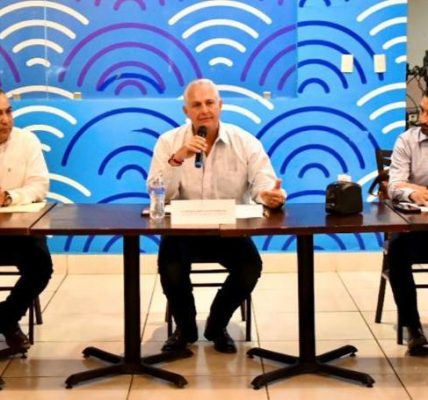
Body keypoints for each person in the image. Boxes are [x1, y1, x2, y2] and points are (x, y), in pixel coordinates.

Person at [148, 79, 286, 354]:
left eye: (210, 103)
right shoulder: (168, 142)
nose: (204, 110)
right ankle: (185, 330)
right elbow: (158, 193)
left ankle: (217, 324)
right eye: (196, 105)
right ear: (186, 111)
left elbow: (264, 183)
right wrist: (178, 158)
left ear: (220, 105)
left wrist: (268, 195)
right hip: (182, 232)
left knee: (250, 267)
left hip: (229, 230)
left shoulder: (245, 142)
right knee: (171, 269)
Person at [0, 89, 53, 351]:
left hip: (21, 231)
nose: (5, 120)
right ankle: (7, 322)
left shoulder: (27, 141)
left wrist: (9, 197)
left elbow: (39, 186)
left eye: (8, 111)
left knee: (41, 266)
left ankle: (6, 318)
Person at [388, 88, 428, 356]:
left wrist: (412, 184)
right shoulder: (407, 140)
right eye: (423, 111)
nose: (422, 118)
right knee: (397, 251)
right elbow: (394, 185)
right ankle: (413, 328)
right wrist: (413, 192)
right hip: (418, 230)